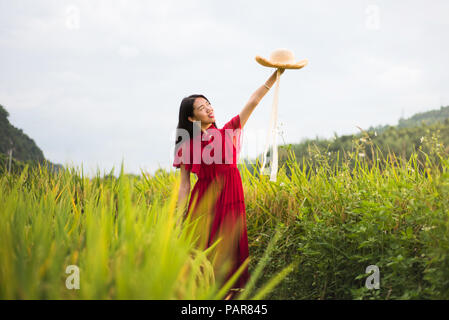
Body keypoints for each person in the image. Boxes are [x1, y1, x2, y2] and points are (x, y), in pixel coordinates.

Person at [173, 68, 285, 300]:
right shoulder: (187, 145)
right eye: (202, 108)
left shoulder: (228, 132)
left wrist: (276, 75)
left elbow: (253, 102)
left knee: (232, 259)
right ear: (192, 118)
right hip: (204, 205)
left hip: (232, 202)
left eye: (209, 104)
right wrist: (178, 216)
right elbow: (184, 186)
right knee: (202, 259)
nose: (209, 109)